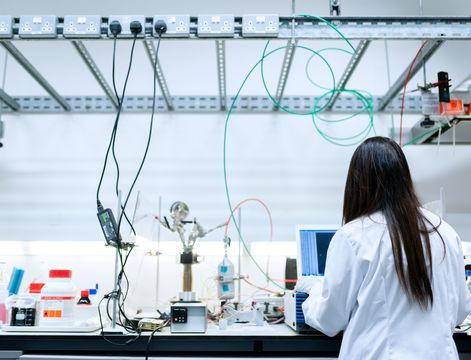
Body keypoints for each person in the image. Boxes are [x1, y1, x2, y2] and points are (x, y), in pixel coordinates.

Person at [300, 136, 471, 359]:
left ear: (357, 183)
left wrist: (313, 290)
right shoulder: (443, 231)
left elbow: (330, 320)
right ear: (404, 177)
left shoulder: (354, 236)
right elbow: (459, 313)